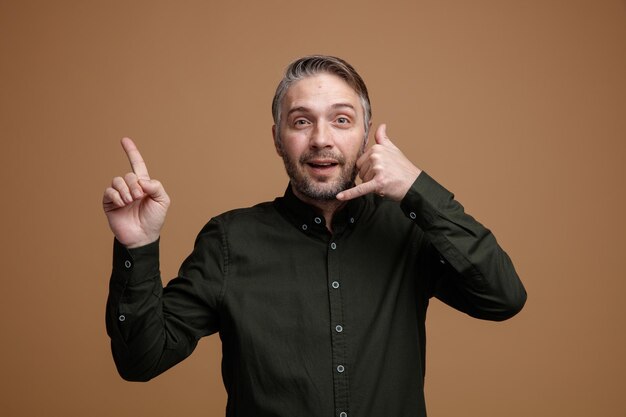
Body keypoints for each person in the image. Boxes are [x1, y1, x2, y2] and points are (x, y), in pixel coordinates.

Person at [103, 55, 526, 417]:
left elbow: (503, 297)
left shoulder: (409, 228)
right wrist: (137, 247)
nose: (321, 140)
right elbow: (141, 359)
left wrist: (418, 188)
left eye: (342, 120)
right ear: (277, 139)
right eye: (301, 121)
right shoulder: (229, 241)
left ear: (366, 134)